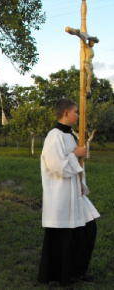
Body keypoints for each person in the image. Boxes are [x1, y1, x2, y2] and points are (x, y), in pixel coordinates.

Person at [37, 98, 100, 286]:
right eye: (75, 112)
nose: (78, 115)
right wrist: (75, 155)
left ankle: (77, 270)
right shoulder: (53, 136)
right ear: (66, 113)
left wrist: (80, 182)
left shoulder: (70, 137)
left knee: (88, 230)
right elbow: (56, 166)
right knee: (66, 238)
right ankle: (65, 275)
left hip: (74, 192)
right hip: (60, 195)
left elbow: (75, 166)